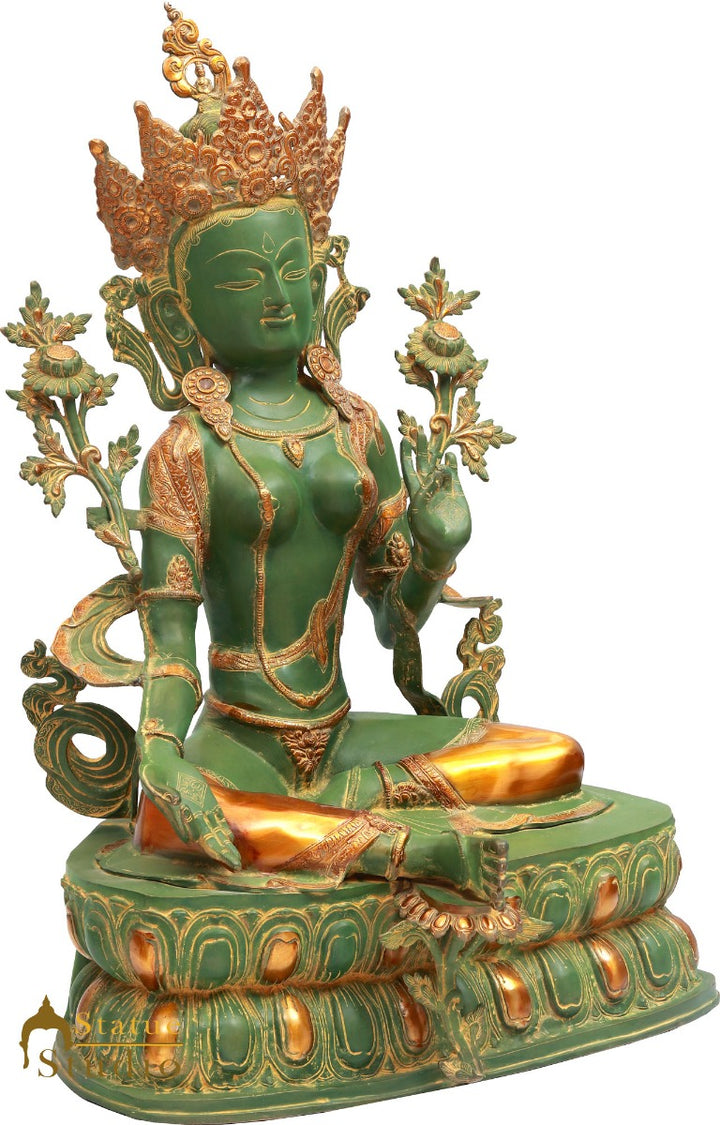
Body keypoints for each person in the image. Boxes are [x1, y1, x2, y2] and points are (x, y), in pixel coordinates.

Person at [90, 16, 584, 896]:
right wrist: (160, 753)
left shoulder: (357, 428)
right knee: (169, 817)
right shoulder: (185, 453)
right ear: (177, 314)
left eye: (293, 269)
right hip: (241, 744)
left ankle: (333, 823)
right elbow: (170, 650)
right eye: (243, 278)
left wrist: (436, 549)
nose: (279, 295)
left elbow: (395, 620)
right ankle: (405, 847)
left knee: (553, 757)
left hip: (347, 734)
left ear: (322, 277)